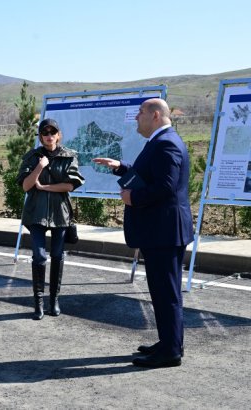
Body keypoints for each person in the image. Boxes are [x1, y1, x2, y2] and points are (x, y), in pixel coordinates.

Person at [93, 98, 193, 368]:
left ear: (156, 115)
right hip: (161, 230)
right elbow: (151, 175)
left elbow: (166, 186)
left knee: (166, 293)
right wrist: (121, 167)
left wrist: (133, 198)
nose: (137, 117)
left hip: (164, 231)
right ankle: (169, 342)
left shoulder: (167, 143)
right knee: (163, 291)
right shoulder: (159, 141)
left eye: (140, 113)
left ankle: (170, 352)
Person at [17, 118, 84, 320]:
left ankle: (54, 300)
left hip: (60, 214)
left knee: (57, 255)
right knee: (39, 256)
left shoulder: (69, 156)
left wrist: (45, 187)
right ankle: (38, 303)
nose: (49, 136)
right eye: (45, 133)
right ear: (40, 136)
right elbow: (26, 186)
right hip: (36, 214)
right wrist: (39, 167)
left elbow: (70, 186)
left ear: (58, 135)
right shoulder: (32, 157)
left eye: (52, 132)